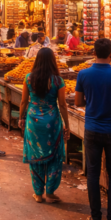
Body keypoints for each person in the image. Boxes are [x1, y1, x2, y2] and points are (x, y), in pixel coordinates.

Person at [75, 38, 111, 220]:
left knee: (93, 174)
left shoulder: (83, 74)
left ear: (93, 53)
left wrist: (92, 100)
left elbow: (78, 102)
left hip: (92, 129)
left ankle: (96, 218)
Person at [18, 47, 70, 203]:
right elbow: (62, 105)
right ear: (53, 61)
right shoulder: (58, 81)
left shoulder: (28, 78)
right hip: (52, 121)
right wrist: (67, 124)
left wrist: (21, 117)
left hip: (33, 121)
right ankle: (50, 192)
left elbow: (23, 101)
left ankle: (38, 193)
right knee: (54, 155)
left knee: (35, 155)